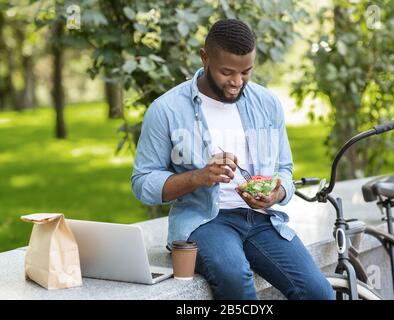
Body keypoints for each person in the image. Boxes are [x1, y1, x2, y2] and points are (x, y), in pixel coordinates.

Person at [131, 19, 334, 300]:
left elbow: (284, 169)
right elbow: (143, 183)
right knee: (234, 276)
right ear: (205, 58)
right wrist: (198, 177)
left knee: (319, 293)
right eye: (226, 72)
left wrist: (278, 193)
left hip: (263, 220)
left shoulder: (267, 104)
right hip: (206, 222)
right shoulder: (166, 109)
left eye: (246, 72)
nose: (237, 82)